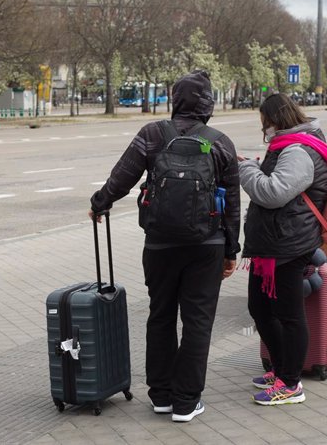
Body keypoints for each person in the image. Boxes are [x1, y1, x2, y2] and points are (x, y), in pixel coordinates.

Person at [88, 70, 241, 422]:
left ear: (176, 100)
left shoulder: (152, 134)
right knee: (197, 322)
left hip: (159, 245)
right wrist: (231, 251)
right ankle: (187, 402)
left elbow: (122, 176)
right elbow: (232, 204)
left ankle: (161, 395)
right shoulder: (220, 142)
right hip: (207, 246)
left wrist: (100, 203)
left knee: (160, 316)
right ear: (208, 105)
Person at [238, 93, 327, 406]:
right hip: (273, 245)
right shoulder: (289, 145)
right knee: (260, 308)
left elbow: (273, 192)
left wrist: (247, 170)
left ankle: (291, 384)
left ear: (274, 120)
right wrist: (255, 167)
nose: (263, 129)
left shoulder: (298, 150)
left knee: (290, 316)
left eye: (264, 122)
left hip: (290, 245)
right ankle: (281, 370)